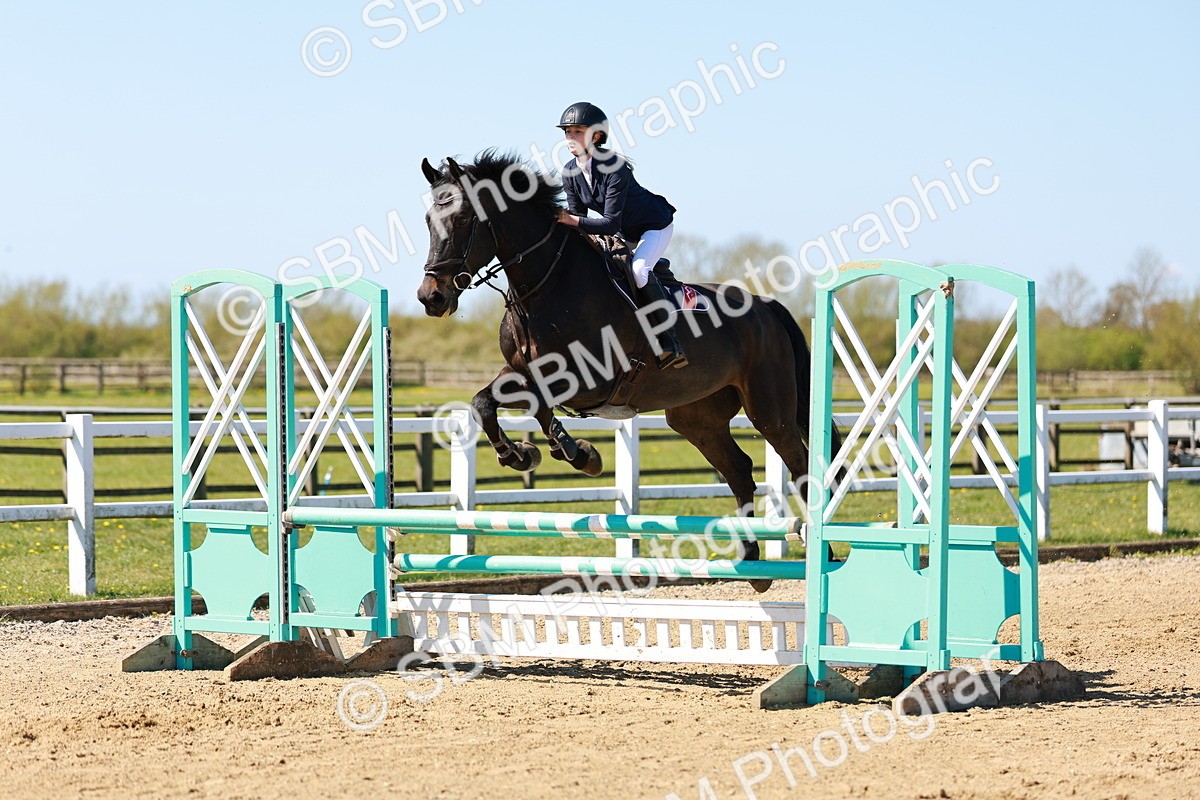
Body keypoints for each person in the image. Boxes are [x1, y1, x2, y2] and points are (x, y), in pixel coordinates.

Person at [554, 101, 687, 369]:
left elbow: (609, 223)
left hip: (652, 225)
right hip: (622, 230)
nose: (570, 138)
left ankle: (669, 341)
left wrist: (570, 219)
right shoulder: (569, 171)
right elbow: (580, 218)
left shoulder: (613, 167)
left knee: (638, 270)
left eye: (578, 132)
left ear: (597, 136)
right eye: (568, 132)